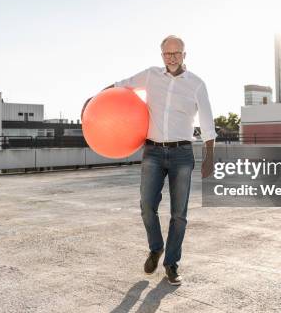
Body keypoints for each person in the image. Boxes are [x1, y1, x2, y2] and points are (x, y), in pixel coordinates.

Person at [82, 35, 215, 285]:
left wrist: (210, 156)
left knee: (179, 214)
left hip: (182, 154)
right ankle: (156, 248)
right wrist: (93, 100)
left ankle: (171, 264)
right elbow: (121, 85)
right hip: (153, 152)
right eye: (167, 53)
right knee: (146, 206)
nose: (172, 57)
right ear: (161, 55)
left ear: (185, 55)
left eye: (177, 53)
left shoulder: (197, 84)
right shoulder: (150, 76)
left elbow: (208, 121)